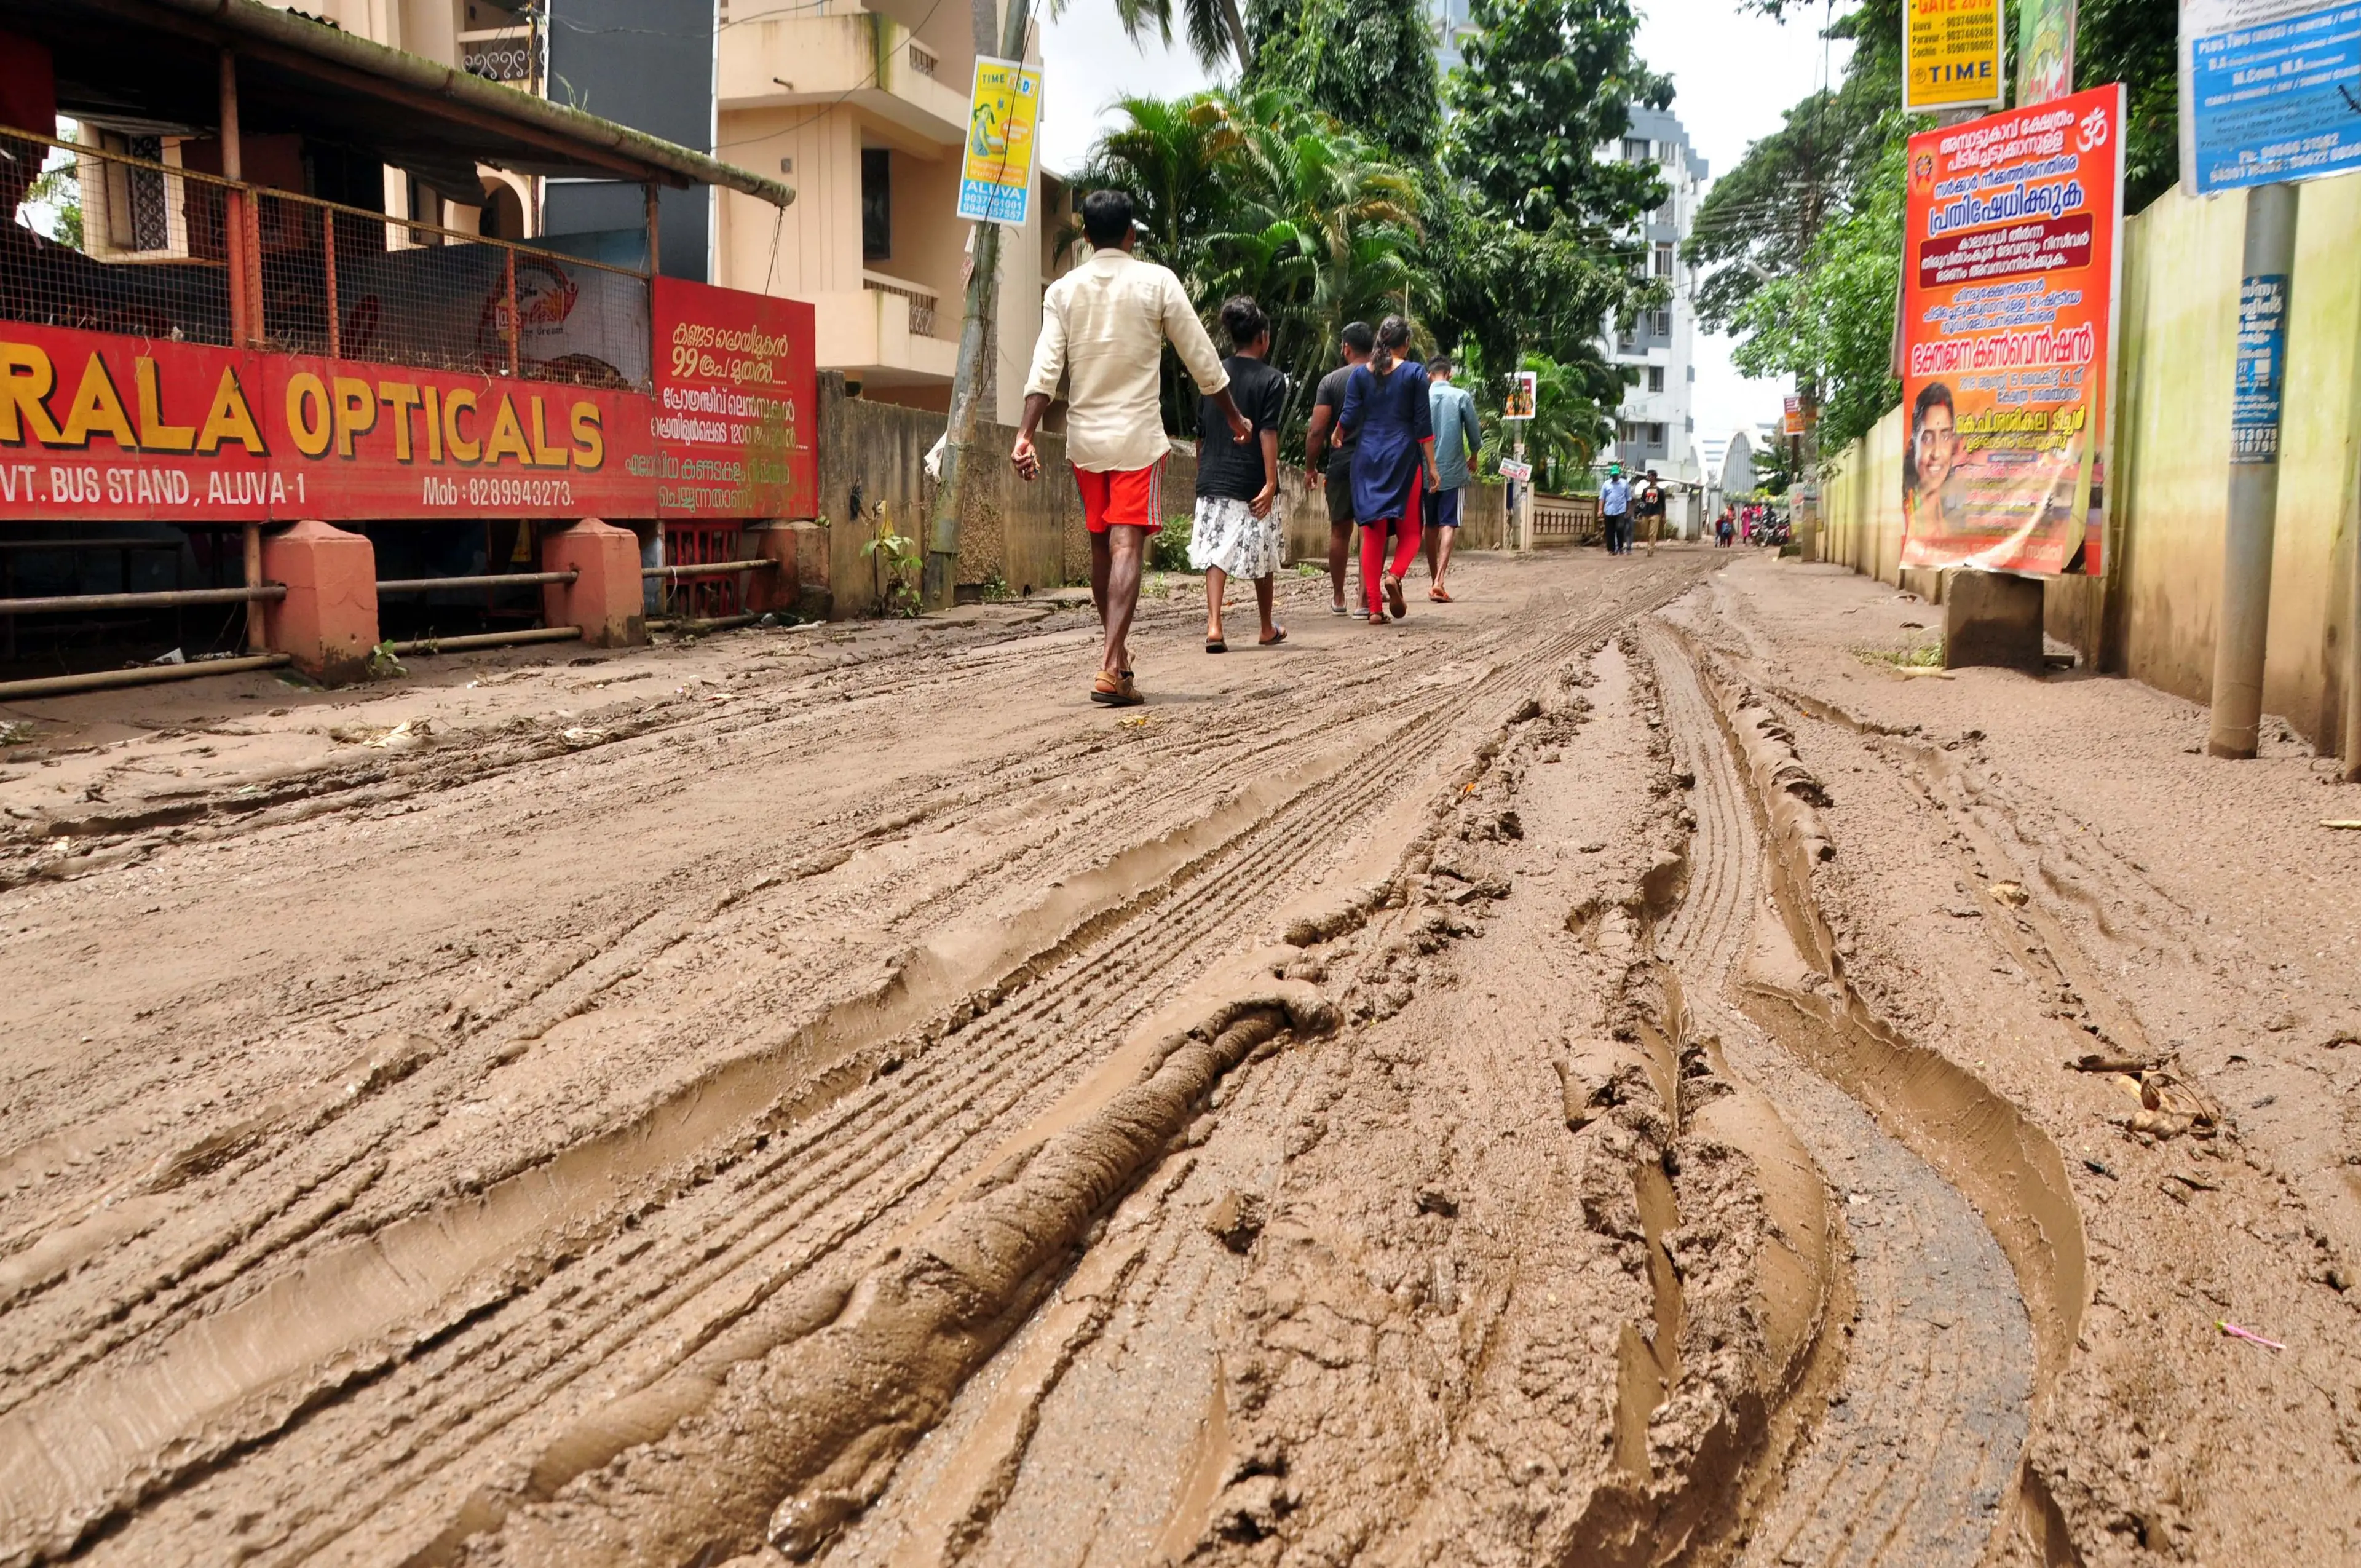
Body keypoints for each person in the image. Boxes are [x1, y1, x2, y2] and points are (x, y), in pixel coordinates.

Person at [1013, 189, 1251, 707]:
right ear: (1131, 235)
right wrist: (1234, 417)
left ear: (1085, 238)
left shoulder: (1064, 290)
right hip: (1138, 439)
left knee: (1103, 546)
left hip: (1085, 441)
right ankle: (1108, 664)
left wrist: (1025, 433)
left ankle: (1118, 664)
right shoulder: (1157, 281)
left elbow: (1045, 368)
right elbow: (1202, 358)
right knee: (1126, 547)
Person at [1189, 296, 1288, 652]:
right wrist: (1271, 482)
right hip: (1252, 480)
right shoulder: (1273, 380)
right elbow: (1267, 431)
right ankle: (1265, 627)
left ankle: (1215, 625)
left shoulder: (1213, 373)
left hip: (1214, 477)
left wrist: (1205, 475)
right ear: (1262, 337)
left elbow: (1200, 433)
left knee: (1216, 553)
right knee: (1263, 552)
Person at [1339, 315, 1436, 624]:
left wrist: (1337, 432)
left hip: (1367, 458)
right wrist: (1432, 466)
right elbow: (1423, 425)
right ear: (1406, 344)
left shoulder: (1360, 376)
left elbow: (1350, 415)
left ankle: (1376, 610)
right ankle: (1394, 575)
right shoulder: (1415, 373)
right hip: (1404, 458)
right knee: (1410, 533)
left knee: (1373, 534)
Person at [1304, 322, 1375, 617]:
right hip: (1377, 463)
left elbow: (1318, 430)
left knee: (1339, 531)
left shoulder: (1331, 381)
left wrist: (1310, 467)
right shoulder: (1384, 378)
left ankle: (1338, 597)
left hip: (1342, 462)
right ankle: (1364, 599)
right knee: (1372, 532)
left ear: (1346, 347)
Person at [1422, 355, 1478, 601]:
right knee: (1449, 523)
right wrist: (1474, 455)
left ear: (1428, 376)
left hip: (1424, 473)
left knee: (1429, 526)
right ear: (1450, 374)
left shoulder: (1421, 398)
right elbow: (1474, 432)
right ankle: (1440, 581)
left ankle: (1434, 578)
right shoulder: (1461, 396)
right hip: (1453, 472)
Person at [1902, 381, 1961, 540]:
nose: (1937, 453)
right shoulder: (1905, 515)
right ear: (1914, 444)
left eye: (1945, 437)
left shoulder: (1949, 519)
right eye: (1927, 438)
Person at [1599, 464, 1632, 555]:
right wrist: (1600, 510)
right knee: (1610, 531)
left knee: (1620, 528)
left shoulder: (1624, 484)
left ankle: (1620, 547)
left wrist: (1629, 510)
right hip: (1609, 510)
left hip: (1621, 510)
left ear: (1619, 474)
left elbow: (1628, 498)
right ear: (1611, 475)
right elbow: (1602, 498)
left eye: (1616, 475)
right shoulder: (1606, 484)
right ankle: (1611, 550)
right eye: (1613, 475)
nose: (1615, 476)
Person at [1636, 469, 1666, 553]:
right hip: (1646, 512)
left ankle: (1651, 548)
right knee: (1645, 531)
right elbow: (1642, 502)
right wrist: (1640, 513)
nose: (1647, 477)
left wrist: (1664, 516)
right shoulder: (1645, 490)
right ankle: (1649, 544)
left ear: (1654, 477)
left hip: (1656, 513)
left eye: (1649, 476)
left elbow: (1663, 505)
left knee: (1653, 533)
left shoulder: (1660, 491)